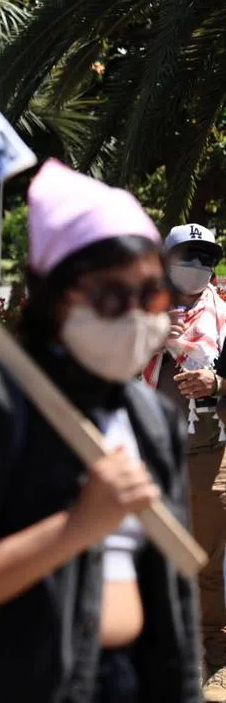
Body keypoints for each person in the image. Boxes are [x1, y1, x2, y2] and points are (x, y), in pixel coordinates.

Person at [0, 159, 200, 703]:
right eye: (111, 297)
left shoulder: (152, 420)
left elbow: (174, 607)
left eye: (152, 296)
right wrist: (78, 524)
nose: (137, 316)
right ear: (57, 297)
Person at [143, 222, 226, 698]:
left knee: (208, 563)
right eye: (187, 257)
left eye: (206, 258)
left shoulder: (224, 318)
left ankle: (216, 659)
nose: (197, 267)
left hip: (207, 456)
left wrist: (216, 385)